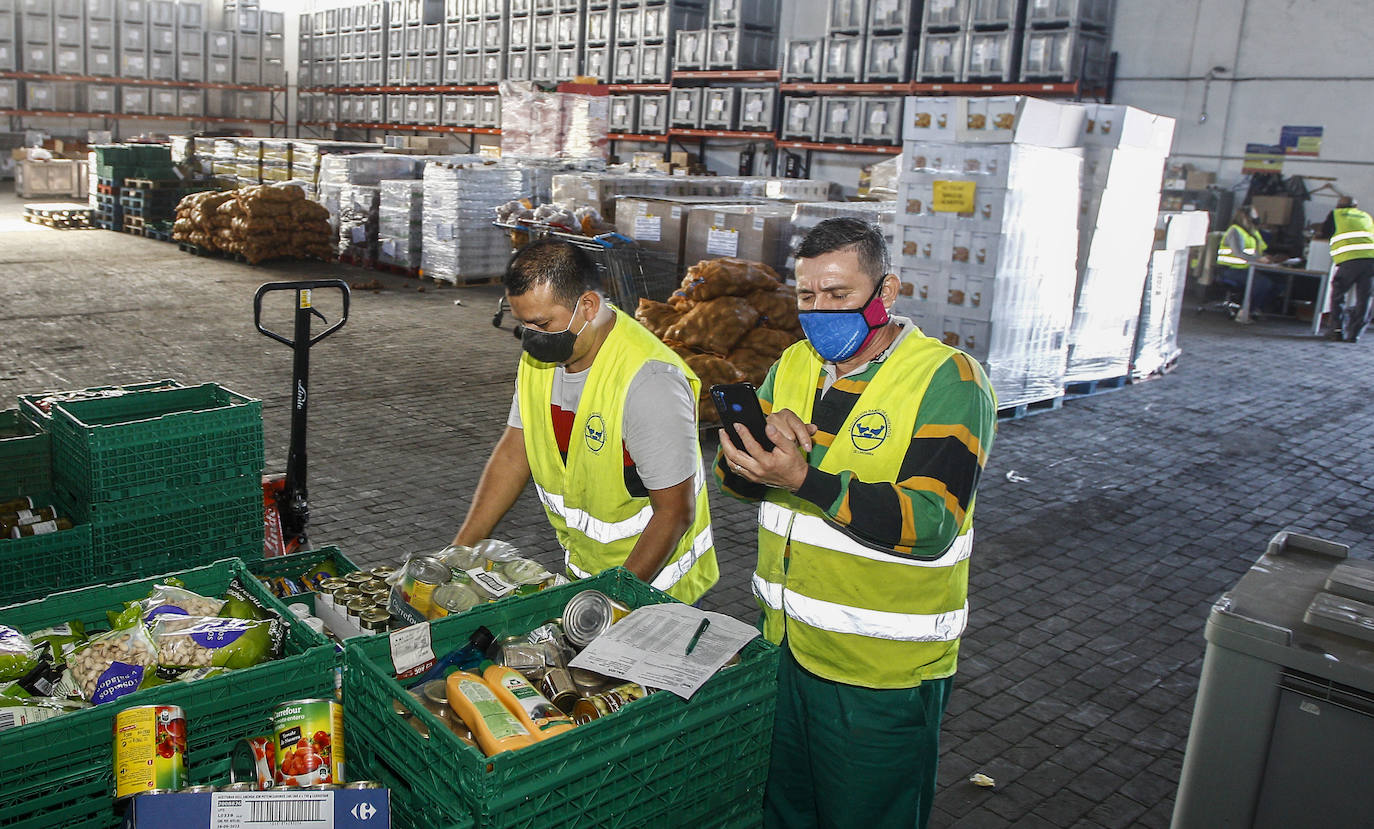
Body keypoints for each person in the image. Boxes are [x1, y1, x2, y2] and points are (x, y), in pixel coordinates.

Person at [714, 218, 997, 828]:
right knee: (783, 813)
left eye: (838, 294)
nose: (818, 311)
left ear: (886, 292)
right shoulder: (793, 363)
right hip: (786, 650)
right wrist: (743, 458)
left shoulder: (948, 380)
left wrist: (802, 479)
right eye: (807, 296)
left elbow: (931, 522)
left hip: (880, 674)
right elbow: (739, 484)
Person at [451, 238, 718, 604]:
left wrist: (608, 602)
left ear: (588, 306)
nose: (532, 338)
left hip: (655, 589)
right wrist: (460, 552)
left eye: (542, 323)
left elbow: (674, 513)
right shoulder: (540, 359)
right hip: (587, 576)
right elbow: (516, 450)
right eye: (523, 325)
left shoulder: (648, 381)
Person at [1316, 196, 1374, 342]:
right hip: (1371, 260)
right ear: (1356, 206)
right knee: (1365, 298)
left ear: (1338, 205)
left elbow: (1325, 233)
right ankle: (1355, 334)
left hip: (1350, 261)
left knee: (1338, 294)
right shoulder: (1365, 216)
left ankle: (1336, 331)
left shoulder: (1336, 214)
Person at [1215, 207, 1277, 317]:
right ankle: (1245, 312)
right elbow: (1239, 253)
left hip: (1246, 268)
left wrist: (1267, 257)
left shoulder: (1252, 232)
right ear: (1245, 217)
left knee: (1276, 282)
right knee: (1262, 283)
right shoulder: (1235, 231)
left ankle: (1257, 309)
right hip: (1230, 269)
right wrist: (1257, 259)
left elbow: (1258, 250)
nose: (1257, 218)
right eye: (1254, 215)